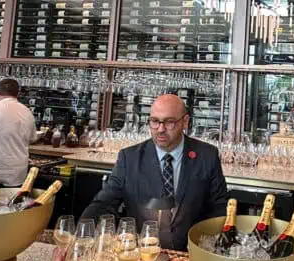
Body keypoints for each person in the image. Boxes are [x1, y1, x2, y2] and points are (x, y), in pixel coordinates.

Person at [81, 94, 228, 251]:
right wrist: (79, 239)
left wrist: (209, 248)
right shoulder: (129, 158)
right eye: (155, 121)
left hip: (191, 257)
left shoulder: (207, 155)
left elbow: (219, 208)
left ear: (185, 122)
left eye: (169, 122)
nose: (161, 129)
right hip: (142, 255)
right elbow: (103, 204)